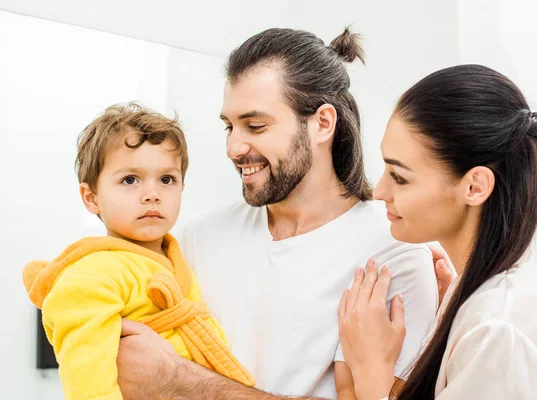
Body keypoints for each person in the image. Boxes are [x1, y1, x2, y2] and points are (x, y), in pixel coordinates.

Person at [116, 28, 438, 399]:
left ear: (322, 123)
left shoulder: (393, 253)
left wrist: (177, 381)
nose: (234, 147)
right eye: (229, 126)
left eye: (255, 126)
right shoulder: (200, 236)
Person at [337, 64, 537, 399]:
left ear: (475, 186)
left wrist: (371, 373)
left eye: (399, 177)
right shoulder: (487, 304)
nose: (379, 191)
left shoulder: (498, 329)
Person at [22, 103, 254, 400]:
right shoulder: (93, 273)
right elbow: (87, 378)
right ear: (91, 198)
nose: (152, 194)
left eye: (167, 180)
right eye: (130, 180)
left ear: (182, 187)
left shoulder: (177, 258)